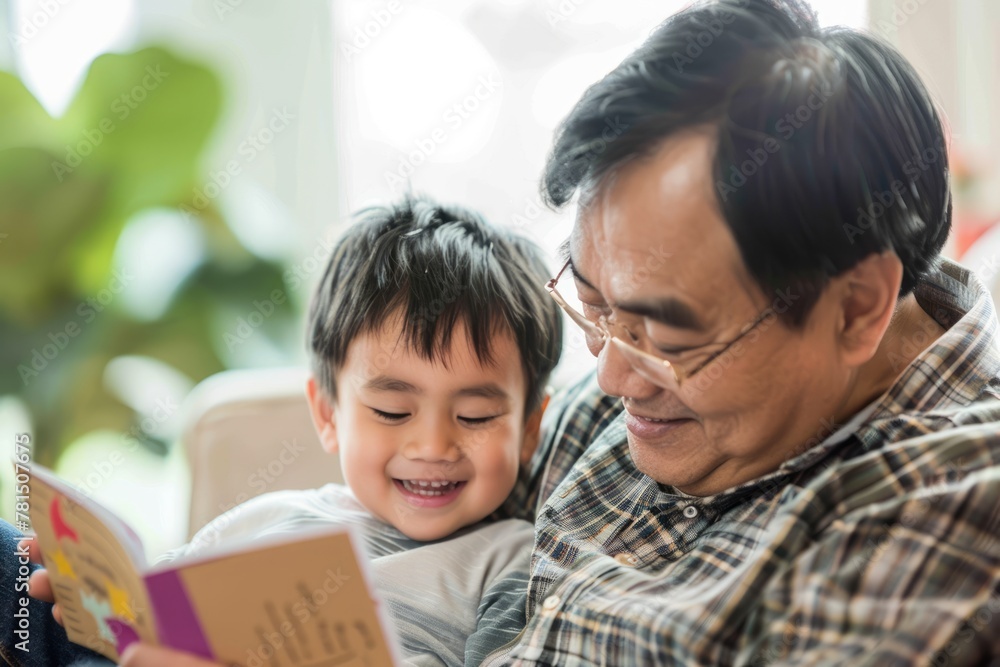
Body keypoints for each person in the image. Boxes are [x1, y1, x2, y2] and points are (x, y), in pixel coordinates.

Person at [9, 0, 1000, 664]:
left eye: (661, 335)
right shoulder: (646, 397)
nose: (605, 381)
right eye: (592, 303)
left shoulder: (943, 520)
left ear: (859, 306)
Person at [1, 194, 562, 666]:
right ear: (327, 414)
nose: (434, 446)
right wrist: (95, 599)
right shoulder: (267, 518)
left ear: (530, 427)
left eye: (476, 417)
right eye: (392, 411)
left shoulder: (511, 562)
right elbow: (148, 615)